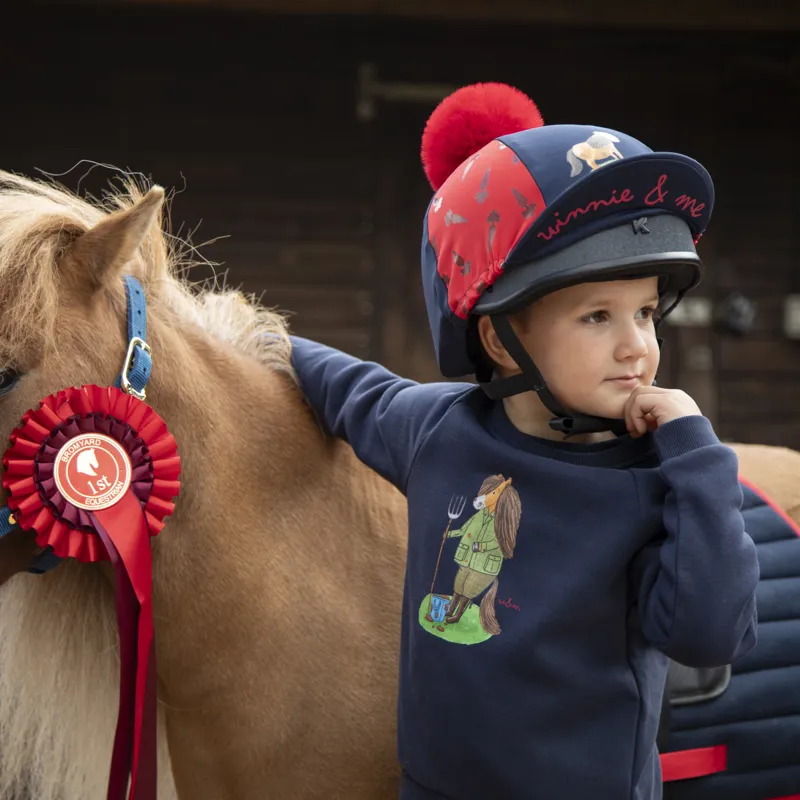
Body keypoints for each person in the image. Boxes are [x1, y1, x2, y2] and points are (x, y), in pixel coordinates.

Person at [288, 83, 759, 799]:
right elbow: (349, 388)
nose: (637, 346)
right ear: (502, 341)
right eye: (598, 316)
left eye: (645, 312)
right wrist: (245, 332)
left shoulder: (657, 478)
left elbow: (710, 635)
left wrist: (697, 455)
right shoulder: (437, 429)